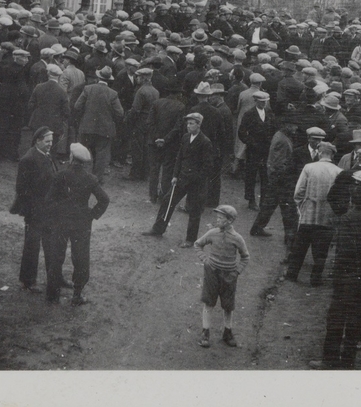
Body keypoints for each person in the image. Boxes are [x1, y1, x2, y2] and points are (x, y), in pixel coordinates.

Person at [313, 181, 361, 369]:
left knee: (335, 320)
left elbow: (344, 252)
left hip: (345, 279)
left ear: (352, 200)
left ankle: (330, 360)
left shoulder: (347, 219)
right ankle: (349, 361)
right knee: (355, 321)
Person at [42, 143, 110, 305]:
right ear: (84, 162)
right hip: (81, 223)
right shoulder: (90, 178)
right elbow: (104, 199)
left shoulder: (61, 175)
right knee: (81, 258)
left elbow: (49, 200)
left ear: (71, 157)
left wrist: (57, 213)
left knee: (56, 256)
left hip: (61, 222)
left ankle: (52, 294)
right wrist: (92, 215)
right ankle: (77, 294)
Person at [143, 112, 218, 247]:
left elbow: (208, 166)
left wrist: (197, 179)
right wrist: (175, 175)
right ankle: (158, 229)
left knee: (194, 210)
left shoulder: (205, 142)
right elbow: (179, 157)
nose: (188, 126)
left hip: (196, 182)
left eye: (191, 123)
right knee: (167, 201)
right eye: (187, 123)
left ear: (199, 125)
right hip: (182, 178)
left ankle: (190, 239)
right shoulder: (185, 137)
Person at [285, 140, 342, 285]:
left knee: (300, 246)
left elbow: (298, 192)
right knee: (321, 250)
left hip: (308, 212)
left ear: (319, 152)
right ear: (332, 155)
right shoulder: (338, 172)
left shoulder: (309, 167)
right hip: (327, 214)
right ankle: (315, 278)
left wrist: (301, 206)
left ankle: (292, 274)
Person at [194, 205, 250, 348]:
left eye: (220, 218)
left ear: (229, 221)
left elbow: (245, 257)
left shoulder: (237, 238)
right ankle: (205, 332)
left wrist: (236, 272)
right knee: (208, 302)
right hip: (212, 273)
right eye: (217, 217)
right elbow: (198, 244)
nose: (217, 220)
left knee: (228, 306)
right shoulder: (212, 233)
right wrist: (205, 260)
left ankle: (228, 332)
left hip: (229, 276)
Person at [13, 127, 58, 293]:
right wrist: (31, 210)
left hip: (49, 210)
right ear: (38, 140)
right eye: (47, 142)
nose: (50, 145)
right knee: (32, 246)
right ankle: (27, 281)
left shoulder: (46, 155)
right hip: (35, 212)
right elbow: (21, 188)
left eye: (51, 142)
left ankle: (54, 278)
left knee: (51, 245)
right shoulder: (28, 159)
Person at [74, 66, 125, 183]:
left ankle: (78, 177)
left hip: (87, 127)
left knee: (81, 151)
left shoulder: (88, 89)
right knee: (101, 155)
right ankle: (95, 180)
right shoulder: (113, 94)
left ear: (98, 77)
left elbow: (77, 106)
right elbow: (120, 113)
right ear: (109, 80)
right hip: (105, 129)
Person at [237, 90, 276, 212]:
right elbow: (242, 132)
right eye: (261, 102)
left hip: (266, 150)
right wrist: (251, 143)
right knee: (251, 175)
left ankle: (263, 200)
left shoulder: (269, 113)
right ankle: (251, 200)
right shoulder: (249, 114)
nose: (263, 104)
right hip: (254, 150)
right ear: (256, 101)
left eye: (265, 102)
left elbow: (274, 128)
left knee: (265, 175)